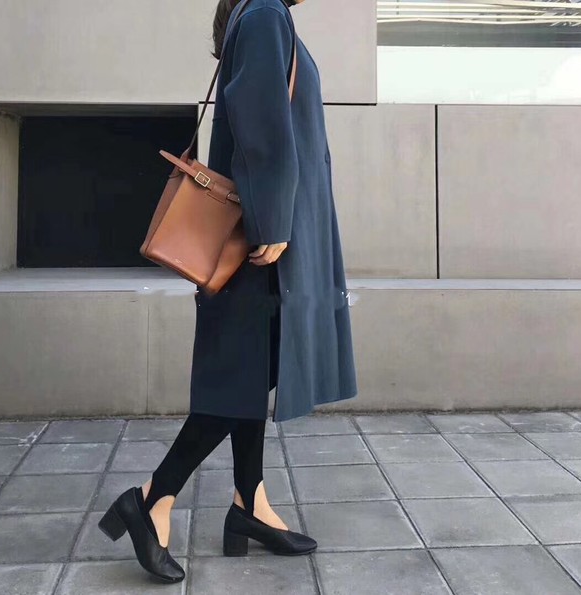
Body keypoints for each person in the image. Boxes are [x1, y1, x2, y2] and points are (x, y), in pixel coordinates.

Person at [98, 0, 357, 583]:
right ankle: (151, 499)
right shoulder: (265, 13)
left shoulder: (257, 11)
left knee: (250, 369)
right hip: (257, 238)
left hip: (256, 233)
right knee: (240, 375)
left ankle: (249, 503)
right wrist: (274, 222)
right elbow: (261, 124)